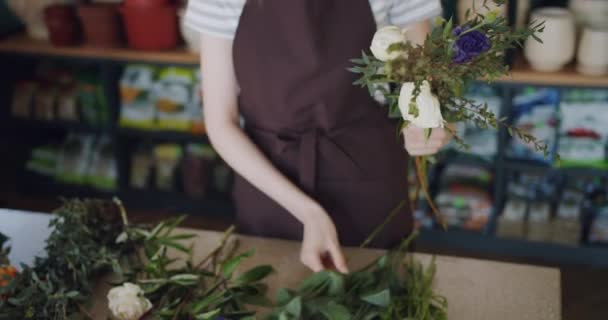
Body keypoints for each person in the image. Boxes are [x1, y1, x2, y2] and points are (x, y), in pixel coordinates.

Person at [185, 0, 453, 273]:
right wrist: (308, 212)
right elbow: (221, 124)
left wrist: (429, 121)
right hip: (269, 183)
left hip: (369, 179)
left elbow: (425, 82)